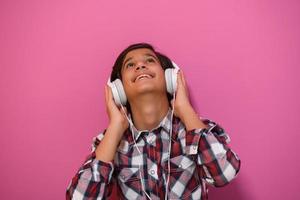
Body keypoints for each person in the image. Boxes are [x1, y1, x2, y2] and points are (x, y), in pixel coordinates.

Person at [66, 43, 241, 200]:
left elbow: (224, 174)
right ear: (118, 90)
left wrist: (185, 108)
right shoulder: (108, 143)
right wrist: (115, 127)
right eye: (130, 65)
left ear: (170, 78)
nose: (140, 65)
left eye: (149, 61)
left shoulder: (194, 129)